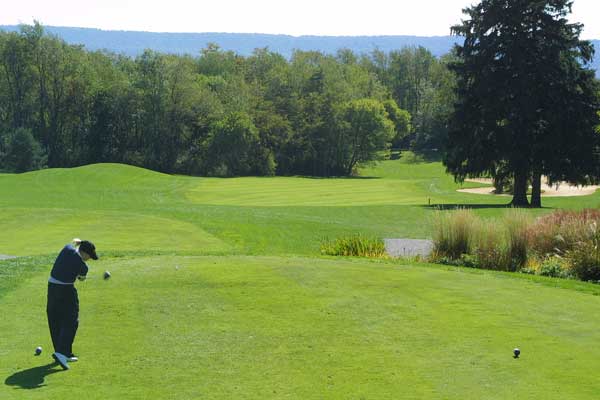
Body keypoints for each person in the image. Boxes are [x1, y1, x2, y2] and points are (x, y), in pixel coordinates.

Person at [47, 238, 98, 370]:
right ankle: (62, 353)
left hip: (52, 288)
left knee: (55, 319)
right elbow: (81, 279)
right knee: (71, 320)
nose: (89, 259)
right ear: (85, 253)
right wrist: (83, 275)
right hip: (66, 291)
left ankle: (63, 352)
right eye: (90, 256)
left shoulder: (67, 248)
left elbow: (73, 257)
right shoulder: (82, 265)